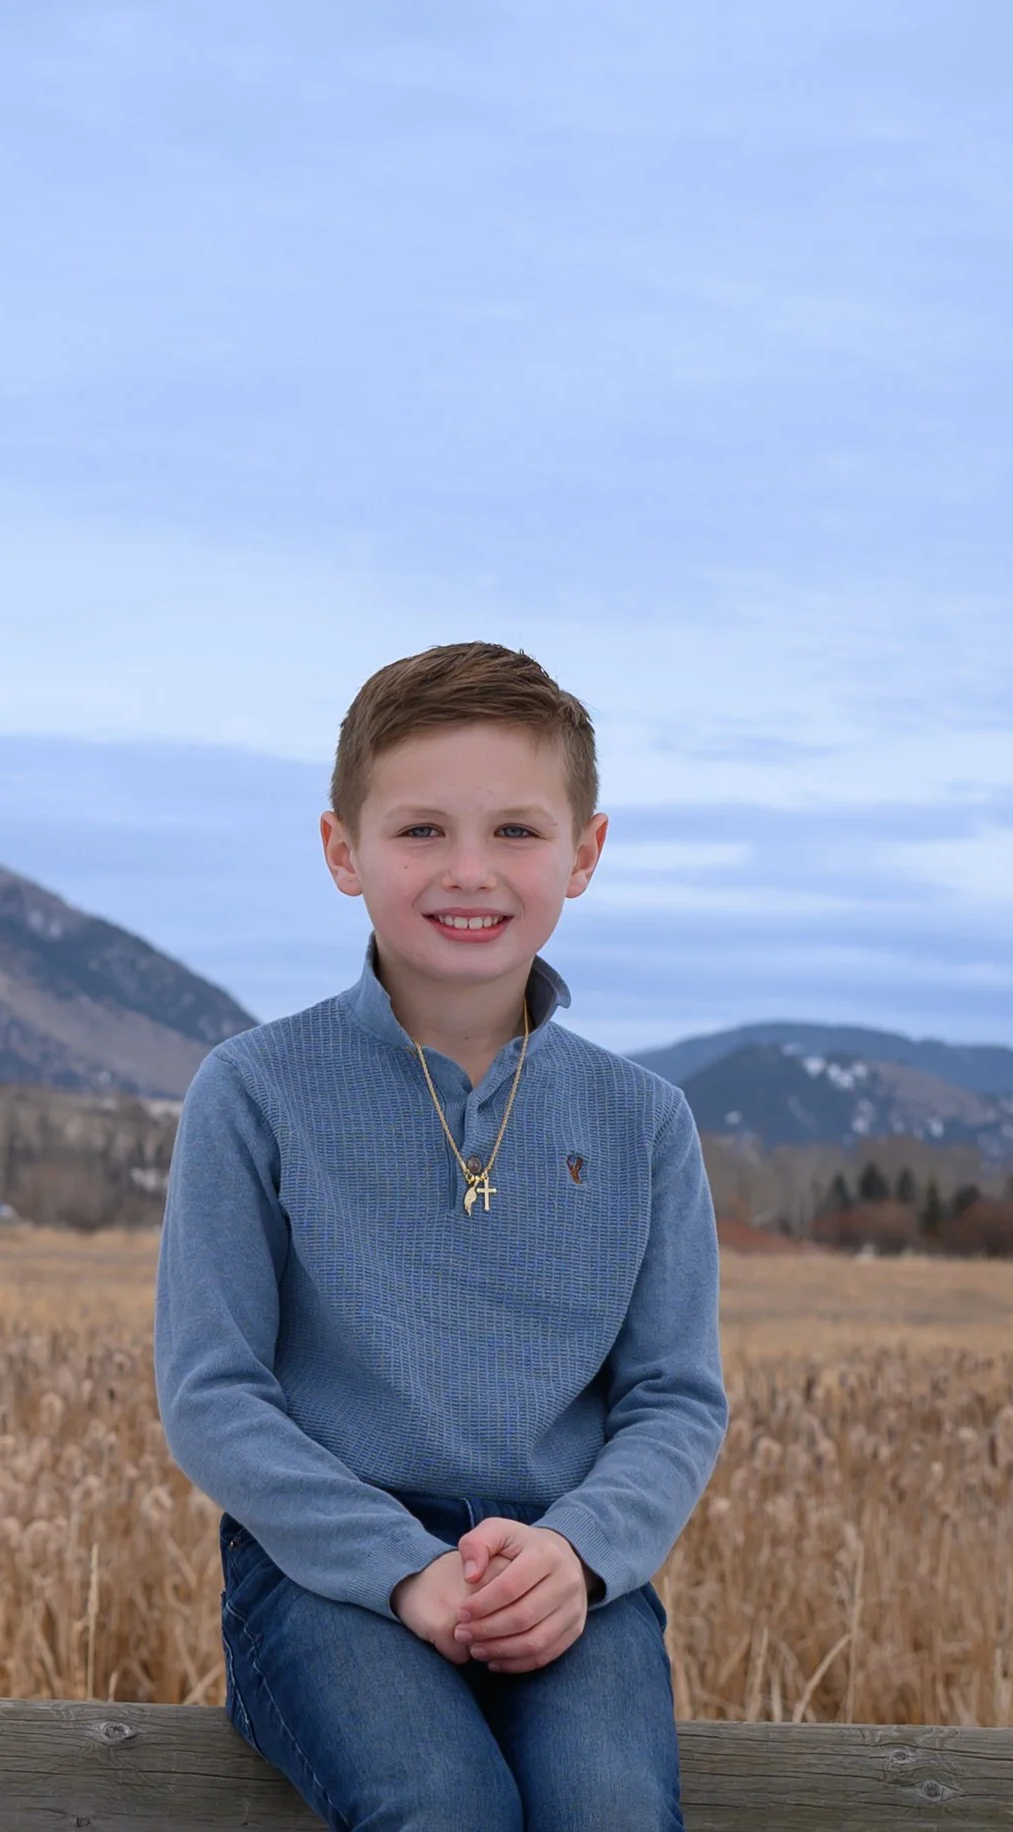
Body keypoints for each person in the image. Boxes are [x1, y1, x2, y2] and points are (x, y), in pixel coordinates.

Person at [154, 642, 728, 1831]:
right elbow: (213, 1392)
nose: (469, 870)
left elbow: (673, 1396)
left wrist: (575, 1552)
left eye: (515, 831)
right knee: (442, 1804)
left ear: (584, 852)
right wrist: (403, 1567)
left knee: (610, 1809)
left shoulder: (644, 1120)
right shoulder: (255, 1090)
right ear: (340, 849)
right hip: (323, 1577)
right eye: (420, 830)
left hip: (565, 1567)